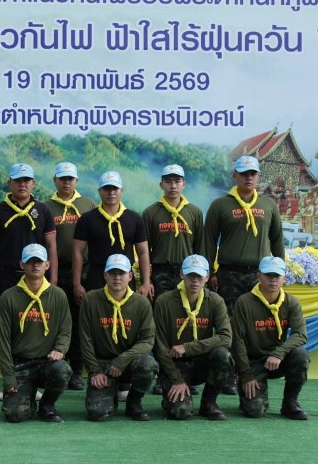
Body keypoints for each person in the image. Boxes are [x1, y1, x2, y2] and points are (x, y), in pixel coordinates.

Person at [205, 155, 285, 394]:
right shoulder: (220, 205)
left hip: (260, 275)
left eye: (253, 174)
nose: (248, 178)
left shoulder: (269, 205)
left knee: (255, 324)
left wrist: (280, 271)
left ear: (258, 176)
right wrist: (210, 272)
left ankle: (250, 371)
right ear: (235, 176)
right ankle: (230, 372)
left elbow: (277, 240)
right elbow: (208, 241)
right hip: (229, 274)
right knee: (229, 323)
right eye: (243, 173)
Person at [142, 164, 205, 395]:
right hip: (161, 272)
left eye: (177, 181)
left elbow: (200, 248)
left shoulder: (194, 213)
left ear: (184, 184)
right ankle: (163, 376)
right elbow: (144, 250)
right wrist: (147, 280)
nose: (173, 186)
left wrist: (202, 275)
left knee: (188, 321)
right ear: (161, 184)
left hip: (189, 274)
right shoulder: (151, 213)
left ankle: (188, 375)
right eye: (168, 181)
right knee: (164, 323)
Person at [0, 244, 73, 423]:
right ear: (21, 264)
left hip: (46, 363)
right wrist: (9, 377)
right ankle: (27, 396)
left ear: (47, 265)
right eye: (30, 261)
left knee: (63, 370)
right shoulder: (8, 297)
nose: (35, 265)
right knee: (15, 415)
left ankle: (47, 405)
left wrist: (60, 349)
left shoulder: (58, 295)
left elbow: (65, 329)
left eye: (39, 261)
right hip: (20, 364)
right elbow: (4, 342)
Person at [153, 254, 232, 421]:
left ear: (207, 277)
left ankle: (209, 403)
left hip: (201, 362)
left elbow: (226, 337)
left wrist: (187, 347)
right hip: (174, 364)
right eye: (190, 275)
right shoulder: (164, 302)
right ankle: (173, 396)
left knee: (223, 355)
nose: (195, 281)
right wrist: (176, 379)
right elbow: (159, 346)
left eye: (199, 276)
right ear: (182, 274)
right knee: (180, 412)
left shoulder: (215, 301)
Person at [79, 254, 157, 421]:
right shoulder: (91, 299)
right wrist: (94, 371)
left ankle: (134, 402)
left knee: (148, 364)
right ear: (105, 275)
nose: (117, 277)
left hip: (128, 362)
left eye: (121, 273)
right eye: (112, 273)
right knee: (97, 413)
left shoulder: (142, 303)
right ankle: (109, 395)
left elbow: (147, 340)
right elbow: (85, 339)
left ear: (130, 276)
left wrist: (122, 360)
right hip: (102, 363)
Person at [232, 256, 309, 420]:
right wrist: (245, 373)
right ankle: (246, 395)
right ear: (259, 276)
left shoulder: (291, 302)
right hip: (253, 362)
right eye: (268, 275)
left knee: (300, 354)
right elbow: (237, 340)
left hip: (277, 360)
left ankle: (290, 404)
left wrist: (279, 353)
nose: (273, 280)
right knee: (255, 411)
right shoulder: (244, 302)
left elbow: (300, 334)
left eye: (277, 275)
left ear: (284, 278)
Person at [43, 161, 96, 391]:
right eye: (62, 178)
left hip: (83, 271)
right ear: (55, 180)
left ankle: (76, 370)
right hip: (54, 271)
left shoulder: (88, 204)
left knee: (79, 320)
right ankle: (56, 368)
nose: (66, 182)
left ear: (76, 181)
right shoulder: (45, 207)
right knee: (56, 321)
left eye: (70, 178)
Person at [0, 163, 57, 312]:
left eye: (26, 180)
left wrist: (53, 278)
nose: (22, 184)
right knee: (5, 319)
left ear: (33, 183)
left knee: (35, 319)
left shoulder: (43, 210)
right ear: (9, 182)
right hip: (6, 276)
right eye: (17, 180)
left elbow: (51, 246)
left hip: (36, 276)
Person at [73, 171, 153, 301]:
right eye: (106, 189)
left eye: (115, 188)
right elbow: (77, 252)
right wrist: (77, 284)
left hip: (124, 276)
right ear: (99, 191)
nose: (111, 193)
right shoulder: (87, 219)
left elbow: (143, 252)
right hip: (96, 277)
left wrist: (146, 282)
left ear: (122, 191)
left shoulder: (134, 219)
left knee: (126, 312)